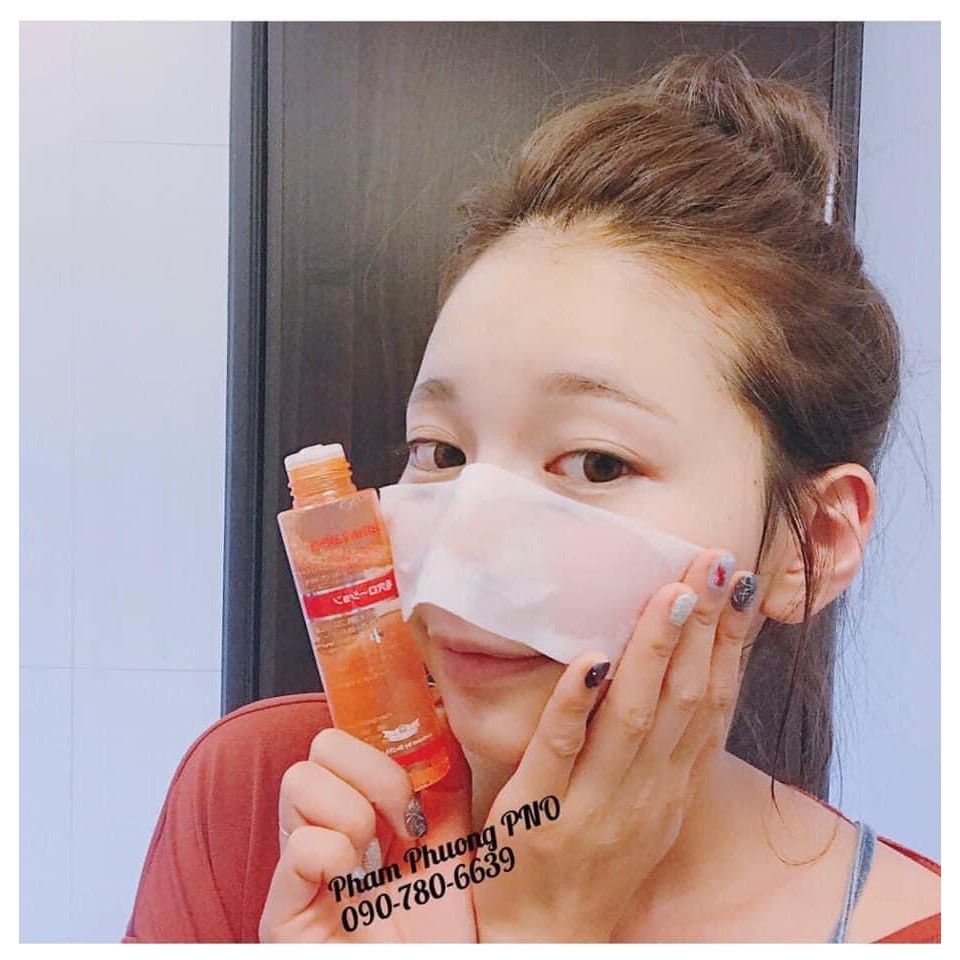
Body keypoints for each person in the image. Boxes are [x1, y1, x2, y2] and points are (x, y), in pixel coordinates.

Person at [122, 51, 940, 943]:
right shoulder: (269, 804)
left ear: (813, 544)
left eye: (595, 463)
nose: (463, 545)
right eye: (441, 452)